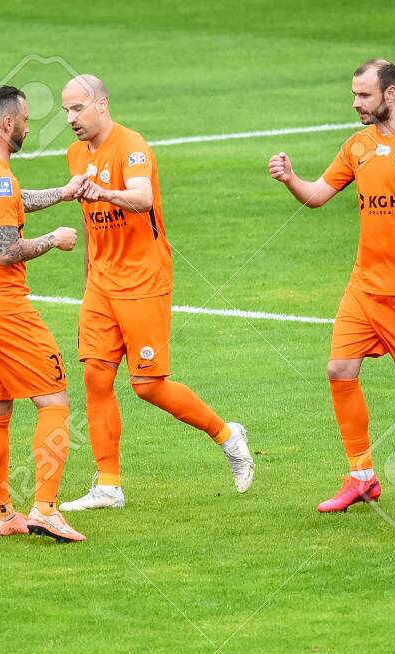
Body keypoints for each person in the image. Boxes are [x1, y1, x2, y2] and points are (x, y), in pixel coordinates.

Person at [57, 73, 254, 512]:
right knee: (95, 377)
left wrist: (103, 192)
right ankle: (108, 485)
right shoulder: (75, 153)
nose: (70, 118)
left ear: (102, 104)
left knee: (147, 385)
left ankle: (227, 435)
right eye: (65, 110)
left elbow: (142, 198)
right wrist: (89, 274)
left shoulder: (133, 147)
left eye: (77, 108)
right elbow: (92, 221)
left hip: (143, 280)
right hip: (101, 284)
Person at [269, 59, 395, 513]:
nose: (355, 103)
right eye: (354, 95)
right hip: (364, 286)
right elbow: (318, 195)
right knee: (339, 371)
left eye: (363, 95)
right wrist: (291, 180)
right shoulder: (357, 146)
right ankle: (362, 476)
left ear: (391, 93)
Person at [0, 85, 88, 541]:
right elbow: (8, 248)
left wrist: (64, 193)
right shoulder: (0, 178)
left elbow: (8, 205)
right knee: (55, 401)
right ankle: (45, 507)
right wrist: (54, 239)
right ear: (8, 123)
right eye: (26, 119)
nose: (29, 126)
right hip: (3, 307)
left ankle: (0, 512)